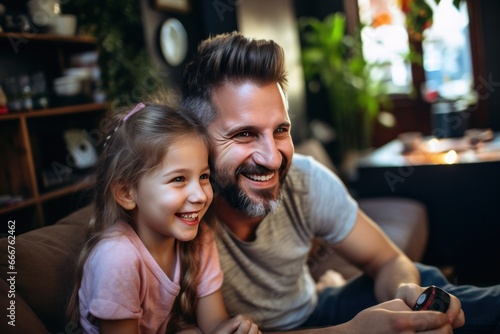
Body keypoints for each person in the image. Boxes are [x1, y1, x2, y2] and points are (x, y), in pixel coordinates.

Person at [181, 31, 500, 333]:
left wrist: (404, 294)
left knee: (426, 281)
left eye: (280, 130)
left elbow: (386, 258)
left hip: (314, 310)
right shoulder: (175, 213)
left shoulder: (304, 179)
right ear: (197, 139)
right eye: (244, 134)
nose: (273, 158)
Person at [66, 94, 261, 334]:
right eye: (178, 179)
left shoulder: (200, 237)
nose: (200, 195)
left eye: (203, 176)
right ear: (127, 192)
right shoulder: (118, 259)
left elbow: (213, 323)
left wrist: (232, 329)